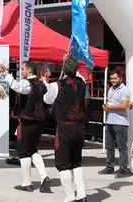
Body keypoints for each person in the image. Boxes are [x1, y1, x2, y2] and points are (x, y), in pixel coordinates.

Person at [0, 61, 52, 193]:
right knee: (32, 149)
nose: (21, 71)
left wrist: (6, 74)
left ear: (29, 71)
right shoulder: (43, 85)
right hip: (40, 122)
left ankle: (26, 183)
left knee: (23, 151)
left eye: (23, 69)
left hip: (27, 121)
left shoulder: (27, 83)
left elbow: (16, 86)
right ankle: (44, 177)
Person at [42, 54, 88, 202]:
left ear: (63, 68)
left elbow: (47, 100)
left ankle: (70, 197)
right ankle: (82, 195)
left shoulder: (57, 85)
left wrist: (46, 84)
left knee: (63, 164)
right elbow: (78, 74)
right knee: (76, 163)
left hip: (64, 128)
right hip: (79, 127)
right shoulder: (82, 83)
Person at [100, 69, 130, 177]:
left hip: (121, 122)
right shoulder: (111, 89)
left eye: (115, 78)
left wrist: (110, 107)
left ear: (120, 78)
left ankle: (123, 169)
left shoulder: (125, 90)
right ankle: (110, 167)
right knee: (109, 146)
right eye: (111, 79)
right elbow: (110, 102)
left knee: (122, 147)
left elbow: (124, 106)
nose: (113, 80)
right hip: (110, 120)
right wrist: (105, 106)